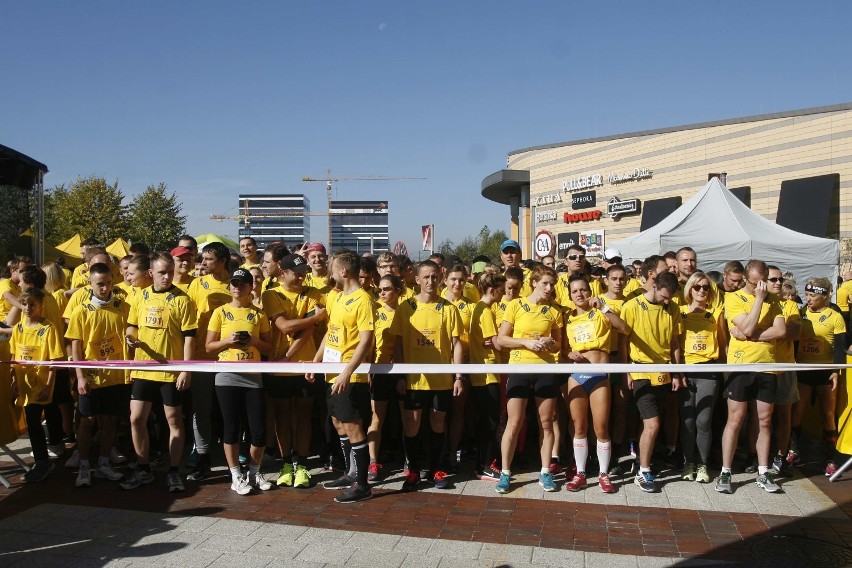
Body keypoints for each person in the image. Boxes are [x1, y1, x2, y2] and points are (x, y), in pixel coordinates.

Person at [122, 252, 197, 491]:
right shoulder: (140, 297)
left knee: (174, 420)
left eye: (170, 272)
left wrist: (185, 370)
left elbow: (189, 338)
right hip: (144, 368)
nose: (167, 277)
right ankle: (143, 468)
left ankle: (174, 470)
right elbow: (131, 327)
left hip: (170, 371)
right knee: (136, 419)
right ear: (150, 273)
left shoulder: (182, 299)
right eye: (162, 272)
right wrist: (131, 339)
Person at [391, 260, 464, 492]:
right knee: (411, 425)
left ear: (439, 278)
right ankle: (413, 471)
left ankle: (435, 470)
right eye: (426, 277)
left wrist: (459, 375)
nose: (430, 281)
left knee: (438, 421)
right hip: (414, 379)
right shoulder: (406, 307)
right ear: (417, 279)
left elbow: (457, 344)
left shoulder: (448, 308)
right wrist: (401, 375)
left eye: (434, 277)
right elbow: (399, 343)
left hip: (442, 379)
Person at [309, 250, 376, 503]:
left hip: (350, 376)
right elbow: (330, 332)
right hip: (331, 372)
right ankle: (350, 473)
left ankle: (362, 483)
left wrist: (347, 371)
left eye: (332, 268)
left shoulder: (363, 300)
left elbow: (366, 341)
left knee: (353, 425)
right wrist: (316, 362)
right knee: (338, 422)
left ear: (344, 271)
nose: (330, 272)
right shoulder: (336, 298)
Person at [716, 260, 786, 494]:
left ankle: (763, 471)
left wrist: (753, 335)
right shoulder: (733, 298)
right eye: (757, 283)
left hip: (767, 366)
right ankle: (726, 471)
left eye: (764, 282)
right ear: (746, 279)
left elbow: (780, 330)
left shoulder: (775, 300)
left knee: (764, 421)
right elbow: (742, 328)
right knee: (735, 419)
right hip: (741, 366)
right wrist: (757, 300)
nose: (762, 287)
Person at [495, 265, 562, 494]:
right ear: (533, 282)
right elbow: (502, 339)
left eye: (552, 284)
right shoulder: (516, 305)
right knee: (514, 422)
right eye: (544, 283)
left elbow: (559, 344)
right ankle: (505, 473)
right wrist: (526, 342)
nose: (548, 288)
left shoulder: (554, 310)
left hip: (545, 369)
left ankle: (545, 471)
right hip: (519, 368)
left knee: (547, 422)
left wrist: (547, 342)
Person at [262, 253, 327, 488]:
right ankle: (286, 463)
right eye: (296, 273)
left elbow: (308, 331)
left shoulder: (313, 293)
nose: (301, 277)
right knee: (281, 418)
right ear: (282, 272)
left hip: (305, 365)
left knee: (303, 416)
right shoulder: (271, 294)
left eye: (304, 274)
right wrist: (313, 318)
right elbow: (285, 327)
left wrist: (288, 357)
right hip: (278, 367)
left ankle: (302, 464)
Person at [206, 268, 273, 494]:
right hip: (226, 376)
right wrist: (228, 341)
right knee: (231, 428)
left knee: (258, 430)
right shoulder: (220, 312)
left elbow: (268, 346)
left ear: (250, 287)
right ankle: (235, 474)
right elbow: (209, 347)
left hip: (253, 377)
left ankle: (253, 473)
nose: (237, 287)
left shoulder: (258, 314)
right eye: (234, 283)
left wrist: (252, 339)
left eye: (242, 284)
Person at [65, 262, 130, 487]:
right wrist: (80, 376)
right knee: (87, 421)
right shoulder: (81, 311)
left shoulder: (123, 307)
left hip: (115, 376)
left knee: (110, 420)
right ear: (90, 283)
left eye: (108, 283)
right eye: (99, 284)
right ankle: (84, 465)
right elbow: (75, 345)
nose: (104, 288)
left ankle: (103, 464)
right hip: (91, 377)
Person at [621, 270, 684, 493]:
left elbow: (675, 341)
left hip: (664, 371)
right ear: (654, 285)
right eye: (664, 296)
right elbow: (624, 341)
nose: (667, 301)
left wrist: (677, 372)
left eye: (671, 298)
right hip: (640, 371)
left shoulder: (673, 308)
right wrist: (626, 371)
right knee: (653, 423)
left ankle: (643, 460)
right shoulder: (632, 306)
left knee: (654, 423)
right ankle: (643, 471)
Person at [563, 275, 625, 493]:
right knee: (579, 427)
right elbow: (563, 349)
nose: (579, 294)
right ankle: (580, 472)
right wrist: (570, 354)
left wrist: (605, 308)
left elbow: (624, 328)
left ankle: (603, 474)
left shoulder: (600, 311)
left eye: (583, 290)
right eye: (575, 291)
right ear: (570, 296)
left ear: (590, 291)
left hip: (599, 375)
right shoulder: (568, 319)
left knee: (601, 428)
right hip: (577, 375)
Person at [186, 242, 232, 481]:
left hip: (230, 359)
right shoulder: (197, 284)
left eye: (208, 259)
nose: (202, 263)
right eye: (202, 259)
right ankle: (203, 456)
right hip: (202, 357)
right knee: (201, 409)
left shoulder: (237, 283)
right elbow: (187, 321)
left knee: (229, 409)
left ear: (222, 260)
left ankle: (234, 455)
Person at [792, 278, 847, 476]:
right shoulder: (802, 313)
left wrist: (836, 372)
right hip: (804, 369)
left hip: (825, 370)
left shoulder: (835, 316)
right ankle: (793, 450)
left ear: (825, 296)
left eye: (813, 296)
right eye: (806, 295)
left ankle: (830, 457)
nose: (808, 299)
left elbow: (840, 347)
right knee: (797, 412)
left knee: (828, 415)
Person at [10, 288, 65, 482]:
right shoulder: (19, 328)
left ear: (40, 305)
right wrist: (15, 381)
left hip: (41, 385)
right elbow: (13, 357)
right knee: (33, 422)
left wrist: (48, 387)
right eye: (24, 304)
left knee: (35, 421)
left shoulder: (48, 328)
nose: (27, 308)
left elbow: (54, 361)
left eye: (32, 304)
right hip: (25, 385)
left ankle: (43, 461)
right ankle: (44, 457)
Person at [678, 271, 727, 484]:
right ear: (689, 289)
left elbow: (724, 344)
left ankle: (703, 464)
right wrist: (677, 371)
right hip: (686, 370)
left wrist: (725, 372)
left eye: (706, 287)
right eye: (697, 287)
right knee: (688, 420)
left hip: (709, 369)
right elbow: (675, 344)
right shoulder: (679, 312)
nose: (701, 291)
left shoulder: (717, 312)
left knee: (704, 420)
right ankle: (688, 462)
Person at [366, 274, 402, 481]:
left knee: (407, 420)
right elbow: (369, 343)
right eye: (380, 289)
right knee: (376, 419)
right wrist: (369, 371)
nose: (382, 293)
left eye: (387, 289)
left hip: (402, 371)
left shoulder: (406, 310)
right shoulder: (375, 310)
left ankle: (409, 460)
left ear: (397, 290)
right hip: (379, 371)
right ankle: (373, 461)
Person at [469, 271, 504, 481]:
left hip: (481, 372)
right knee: (489, 421)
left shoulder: (478, 308)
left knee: (485, 420)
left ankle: (483, 464)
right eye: (500, 290)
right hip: (487, 372)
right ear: (492, 290)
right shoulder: (486, 311)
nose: (502, 294)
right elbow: (497, 343)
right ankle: (485, 465)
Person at [766, 266, 801, 475]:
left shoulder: (790, 305)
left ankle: (780, 455)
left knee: (784, 413)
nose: (778, 283)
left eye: (780, 279)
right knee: (760, 416)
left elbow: (795, 333)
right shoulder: (758, 303)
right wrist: (780, 331)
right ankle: (759, 456)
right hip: (762, 365)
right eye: (773, 279)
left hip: (785, 365)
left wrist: (766, 332)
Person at [441, 264, 475, 472]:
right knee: (439, 412)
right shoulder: (437, 303)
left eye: (461, 280)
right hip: (440, 363)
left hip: (463, 364)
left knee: (458, 411)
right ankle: (439, 450)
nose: (457, 284)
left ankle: (453, 452)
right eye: (453, 279)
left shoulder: (471, 306)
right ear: (445, 279)